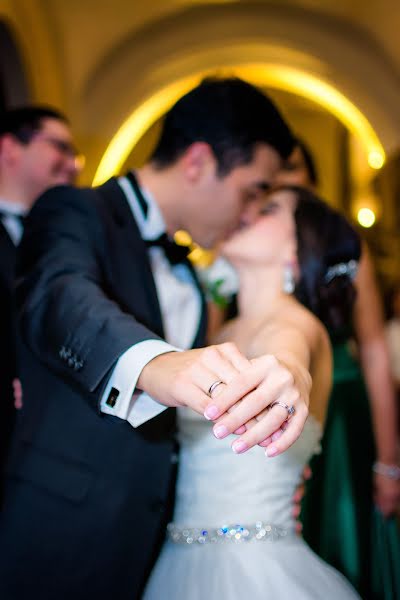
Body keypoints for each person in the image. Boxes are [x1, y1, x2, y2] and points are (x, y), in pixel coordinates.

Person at [0, 78, 313, 600]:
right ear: (198, 162)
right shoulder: (74, 211)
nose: (248, 212)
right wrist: (157, 365)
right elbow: (59, 298)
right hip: (56, 538)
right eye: (253, 189)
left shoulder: (191, 272)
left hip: (154, 549)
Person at [143, 185, 361, 599]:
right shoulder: (218, 332)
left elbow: (288, 361)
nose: (247, 210)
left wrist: (288, 374)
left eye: (269, 208)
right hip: (177, 559)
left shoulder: (297, 325)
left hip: (255, 571)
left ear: (297, 247)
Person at [278, 139, 400, 598]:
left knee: (339, 528)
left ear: (310, 178)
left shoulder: (345, 247)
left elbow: (373, 348)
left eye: (293, 167)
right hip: (274, 405)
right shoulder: (247, 243)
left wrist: (388, 462)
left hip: (341, 406)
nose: (284, 180)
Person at [0, 106, 79, 500]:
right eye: (60, 147)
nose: (73, 164)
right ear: (10, 148)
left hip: (46, 460)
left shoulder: (69, 240)